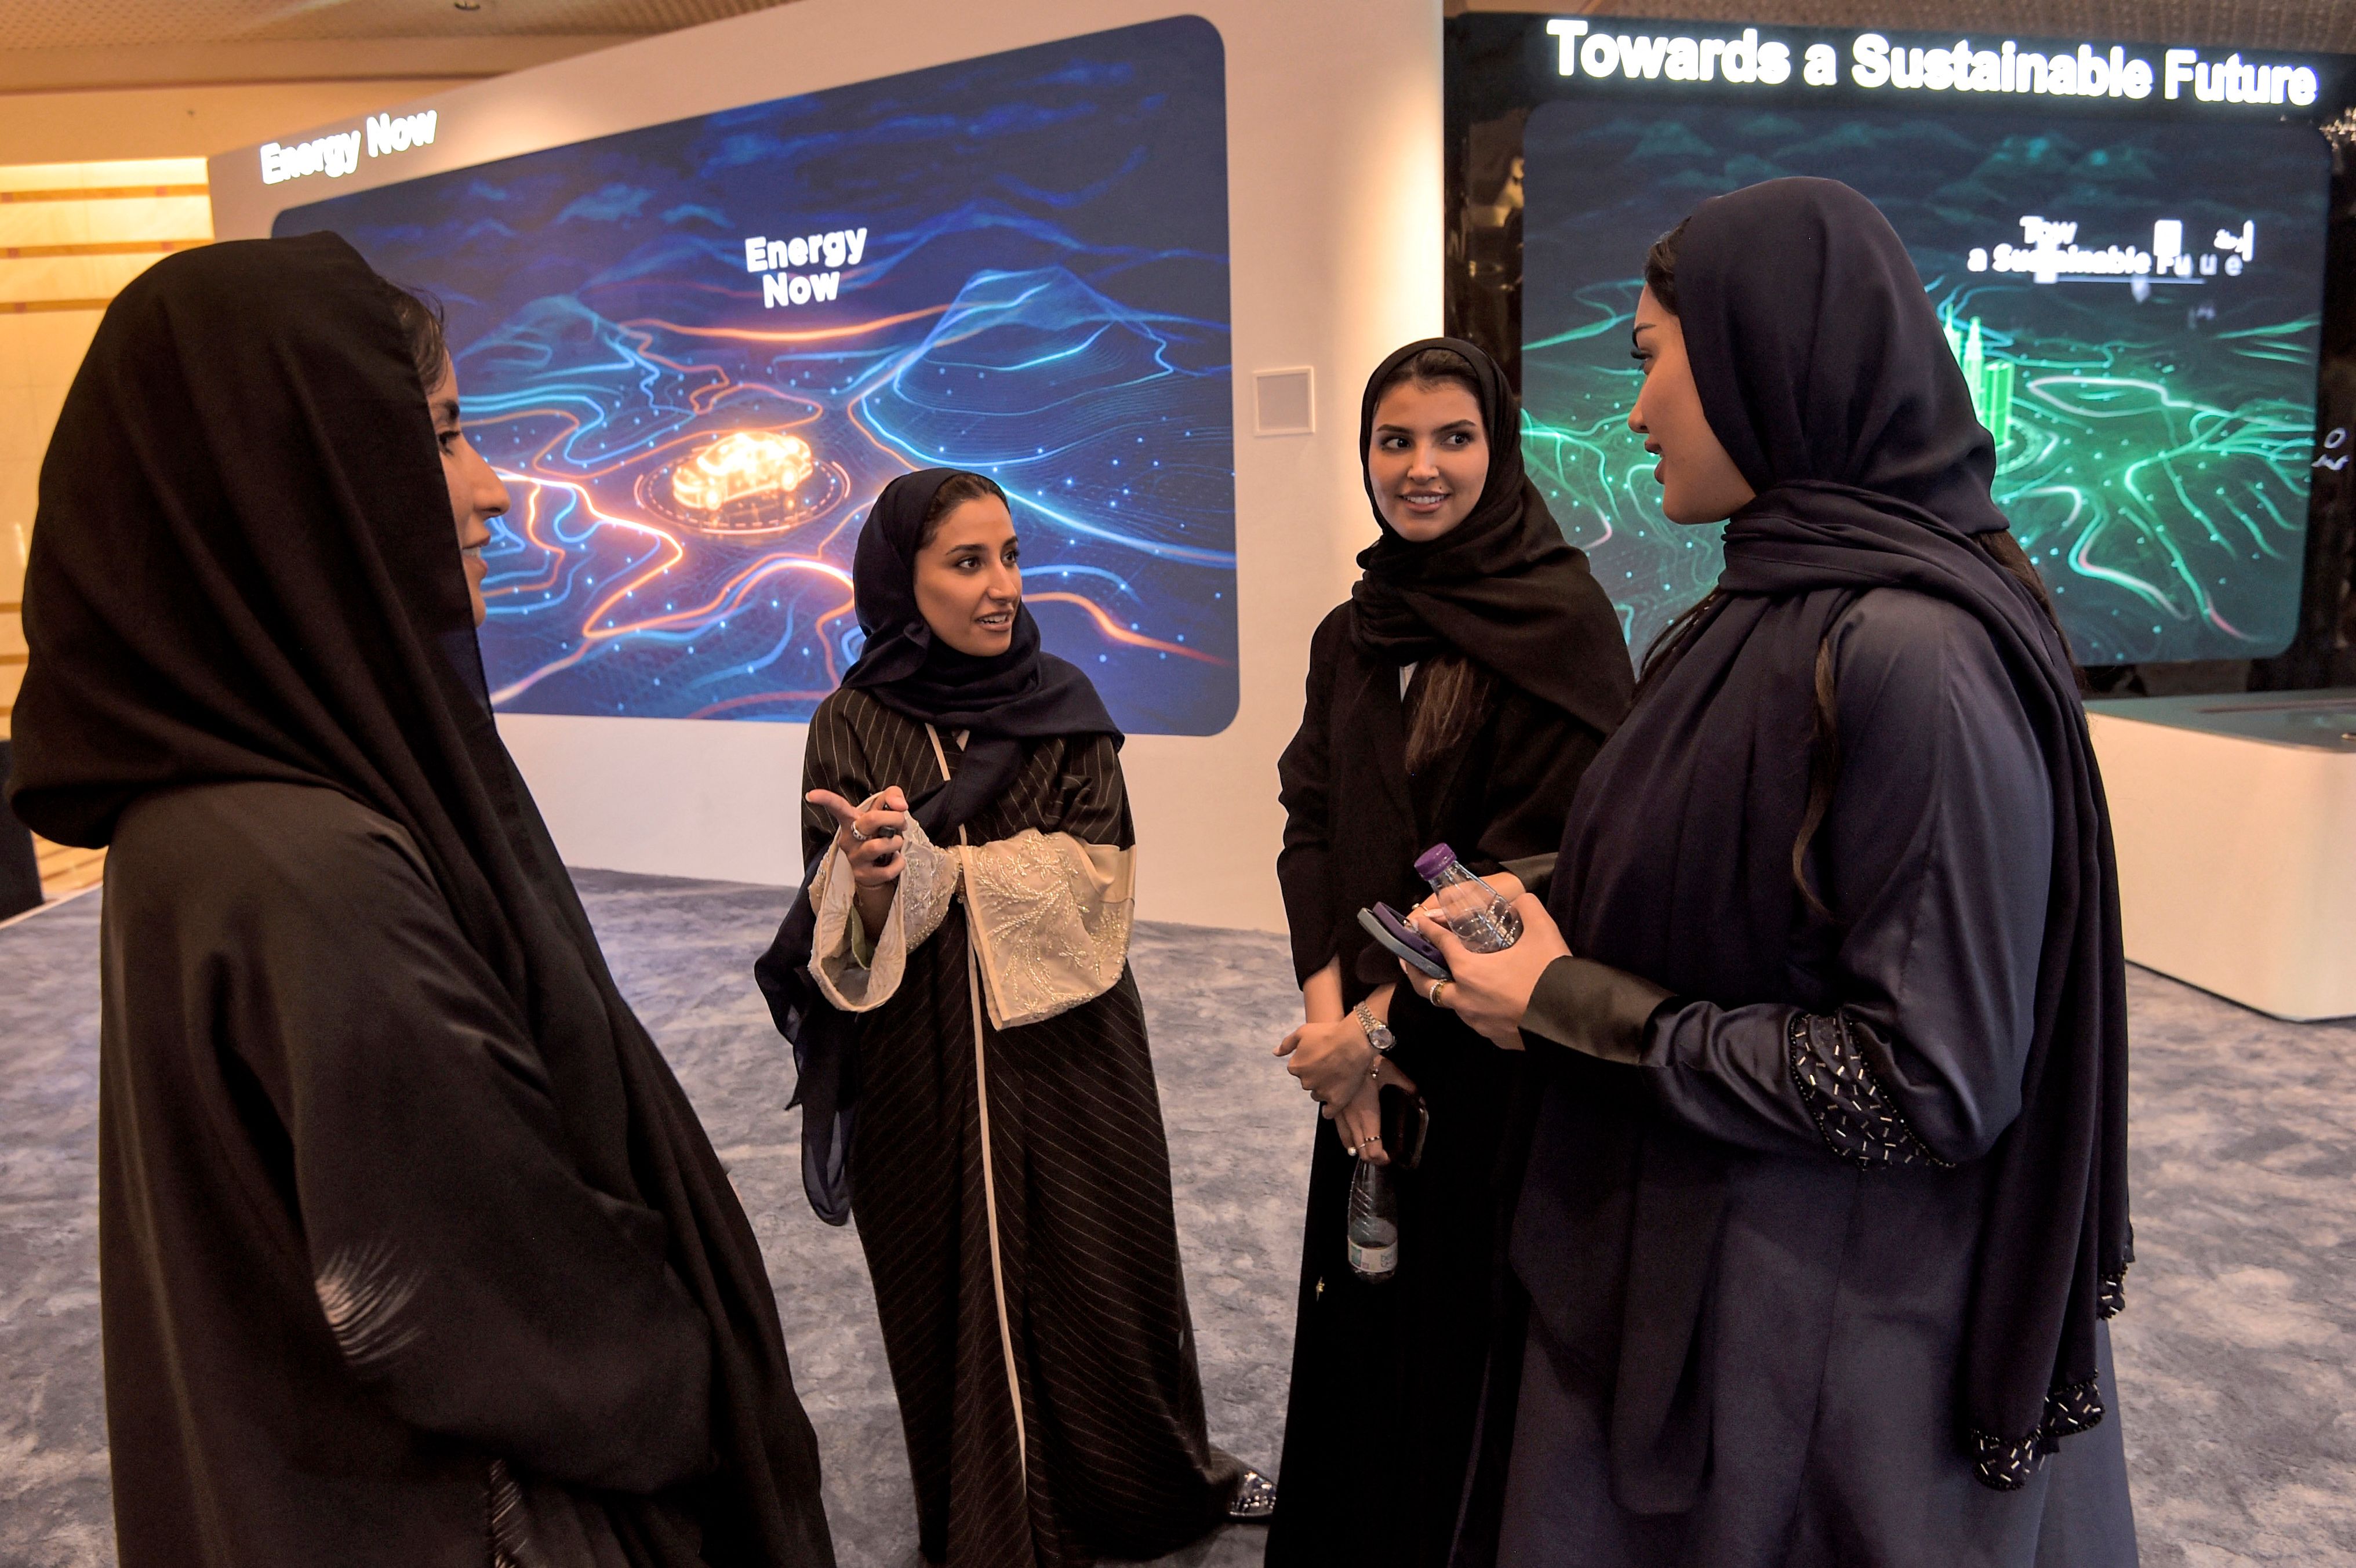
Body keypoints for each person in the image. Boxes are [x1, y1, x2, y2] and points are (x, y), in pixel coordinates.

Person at [6, 233, 837, 1568]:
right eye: (444, 435)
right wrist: (707, 1379)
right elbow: (495, 1300)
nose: (491, 492)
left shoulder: (207, 812)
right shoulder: (311, 872)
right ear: (298, 483)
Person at [1401, 179, 2137, 1567]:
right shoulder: (1775, 607)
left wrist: (1569, 1000)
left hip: (1814, 1353)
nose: (1634, 412)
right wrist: (1544, 898)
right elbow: (1729, 854)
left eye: (1649, 356)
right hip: (1706, 1265)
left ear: (1763, 353)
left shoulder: (1913, 654)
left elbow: (1927, 1083)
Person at [755, 467, 1264, 1568]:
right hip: (920, 1072)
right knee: (951, 1300)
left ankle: (1139, 1490)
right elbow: (835, 931)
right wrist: (877, 881)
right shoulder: (849, 723)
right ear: (903, 581)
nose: (1001, 588)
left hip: (1074, 1052)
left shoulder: (1065, 702)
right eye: (966, 562)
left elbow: (1101, 880)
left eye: (1011, 556)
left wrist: (945, 874)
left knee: (1105, 1276)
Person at [1266, 339, 1631, 1568]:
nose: (1419, 469)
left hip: (1485, 1061)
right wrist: (1333, 1035)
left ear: (1500, 449)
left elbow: (1532, 880)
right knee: (1360, 1320)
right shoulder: (1352, 630)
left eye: (1452, 438)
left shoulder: (1560, 625)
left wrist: (1375, 1034)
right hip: (1359, 1069)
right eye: (1393, 440)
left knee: (1468, 1349)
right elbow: (1309, 823)